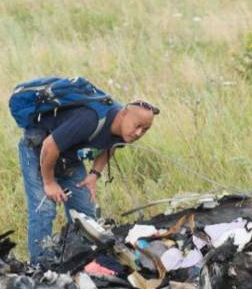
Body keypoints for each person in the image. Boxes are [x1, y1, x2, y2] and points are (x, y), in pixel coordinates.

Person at [18, 98, 160, 262]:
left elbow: (109, 147)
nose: (138, 133)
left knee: (85, 213)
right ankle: (39, 265)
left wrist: (94, 174)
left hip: (69, 156)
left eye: (145, 130)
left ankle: (81, 259)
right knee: (45, 209)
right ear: (123, 114)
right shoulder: (90, 119)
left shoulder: (124, 131)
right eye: (137, 126)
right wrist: (49, 183)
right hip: (38, 149)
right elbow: (49, 146)